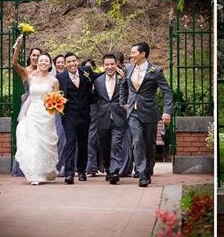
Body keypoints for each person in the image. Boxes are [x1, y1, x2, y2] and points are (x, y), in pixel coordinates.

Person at [120, 42, 173, 187]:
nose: (131, 56)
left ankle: (148, 169)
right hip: (132, 112)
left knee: (150, 143)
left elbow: (167, 92)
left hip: (149, 112)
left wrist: (167, 111)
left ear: (143, 54)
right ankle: (142, 174)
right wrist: (123, 103)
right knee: (137, 140)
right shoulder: (129, 68)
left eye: (133, 53)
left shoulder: (156, 70)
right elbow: (123, 86)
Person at [15, 53, 59, 185]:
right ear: (37, 63)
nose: (43, 63)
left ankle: (46, 172)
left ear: (50, 64)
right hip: (33, 113)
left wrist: (52, 111)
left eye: (46, 61)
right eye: (41, 61)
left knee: (45, 143)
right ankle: (35, 174)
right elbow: (29, 97)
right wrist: (23, 114)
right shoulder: (31, 78)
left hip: (47, 115)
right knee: (34, 143)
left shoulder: (54, 81)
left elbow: (56, 100)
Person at [56, 52, 95, 184]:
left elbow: (98, 78)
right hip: (69, 116)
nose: (72, 64)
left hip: (84, 115)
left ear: (77, 61)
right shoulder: (60, 77)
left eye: (74, 61)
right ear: (65, 64)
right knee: (71, 143)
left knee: (83, 144)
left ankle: (82, 171)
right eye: (69, 62)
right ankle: (69, 174)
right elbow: (54, 93)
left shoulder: (86, 71)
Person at [11, 36, 42, 177]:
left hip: (40, 105)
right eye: (34, 55)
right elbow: (14, 63)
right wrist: (18, 46)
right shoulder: (25, 71)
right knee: (26, 135)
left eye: (38, 56)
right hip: (28, 106)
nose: (36, 58)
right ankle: (23, 168)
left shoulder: (45, 72)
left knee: (39, 136)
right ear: (30, 56)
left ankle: (38, 166)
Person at [93, 54, 127, 184]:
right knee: (105, 146)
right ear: (103, 66)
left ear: (116, 64)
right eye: (106, 64)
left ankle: (115, 172)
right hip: (103, 117)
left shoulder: (123, 79)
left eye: (112, 64)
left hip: (119, 117)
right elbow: (96, 97)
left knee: (116, 145)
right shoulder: (98, 81)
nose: (109, 67)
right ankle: (108, 169)